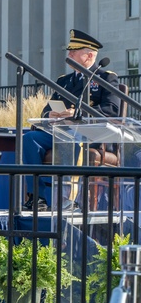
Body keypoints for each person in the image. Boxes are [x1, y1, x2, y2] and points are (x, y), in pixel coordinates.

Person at [21, 29, 121, 210]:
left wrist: (77, 114)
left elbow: (111, 110)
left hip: (89, 137)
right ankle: (38, 197)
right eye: (69, 51)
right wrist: (50, 115)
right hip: (59, 133)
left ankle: (69, 200)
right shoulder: (63, 81)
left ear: (89, 55)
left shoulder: (106, 78)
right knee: (29, 139)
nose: (69, 55)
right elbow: (46, 110)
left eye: (74, 52)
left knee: (74, 141)